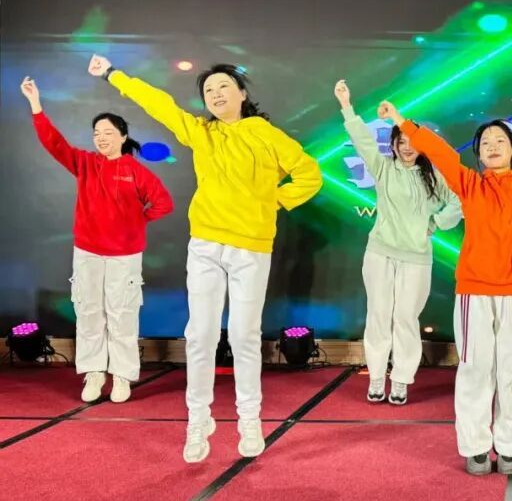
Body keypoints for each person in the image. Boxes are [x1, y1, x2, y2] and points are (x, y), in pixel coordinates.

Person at [87, 56, 322, 462]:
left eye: (223, 86)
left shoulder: (266, 135)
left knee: (244, 336)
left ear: (242, 94)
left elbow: (310, 174)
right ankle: (198, 419)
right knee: (199, 336)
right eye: (208, 90)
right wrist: (113, 75)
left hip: (251, 247)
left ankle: (249, 419)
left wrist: (272, 201)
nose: (215, 94)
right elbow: (158, 103)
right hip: (206, 244)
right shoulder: (201, 132)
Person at [379, 102, 512, 475]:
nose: (492, 146)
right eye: (485, 142)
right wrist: (400, 121)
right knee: (474, 367)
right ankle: (474, 446)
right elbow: (440, 153)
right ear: (479, 154)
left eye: (500, 140)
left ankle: (511, 447)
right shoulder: (470, 185)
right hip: (473, 292)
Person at [21, 76, 173, 403]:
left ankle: (122, 376)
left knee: (122, 314)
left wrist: (135, 222)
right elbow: (54, 144)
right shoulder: (86, 164)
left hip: (124, 256)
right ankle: (93, 373)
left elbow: (163, 203)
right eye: (96, 133)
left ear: (123, 136)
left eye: (108, 132)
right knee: (89, 312)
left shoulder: (137, 172)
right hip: (88, 252)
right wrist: (36, 105)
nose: (101, 138)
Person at [334, 80, 461, 405]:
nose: (406, 147)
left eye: (412, 141)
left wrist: (436, 223)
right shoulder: (383, 168)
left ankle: (402, 379)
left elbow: (458, 201)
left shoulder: (434, 175)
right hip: (380, 253)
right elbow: (361, 140)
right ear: (392, 143)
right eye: (400, 141)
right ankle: (377, 376)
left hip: (416, 257)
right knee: (378, 313)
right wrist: (347, 106)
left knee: (405, 317)